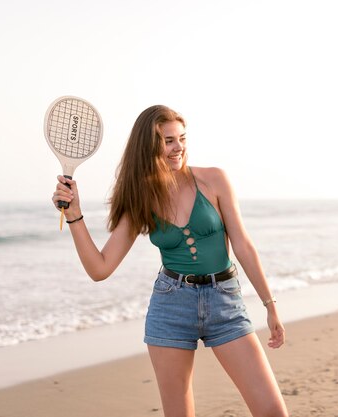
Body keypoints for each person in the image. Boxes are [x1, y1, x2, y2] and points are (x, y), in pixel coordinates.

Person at [52, 105, 289, 417]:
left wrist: (269, 304)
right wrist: (75, 216)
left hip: (225, 305)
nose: (179, 147)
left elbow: (243, 245)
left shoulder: (214, 180)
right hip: (171, 307)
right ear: (149, 146)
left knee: (272, 411)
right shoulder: (140, 198)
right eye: (168, 141)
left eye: (182, 138)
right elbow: (100, 268)